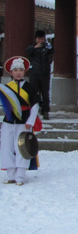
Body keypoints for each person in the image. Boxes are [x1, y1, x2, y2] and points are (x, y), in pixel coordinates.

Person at [1, 57, 41, 186]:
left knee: (22, 147)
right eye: (16, 70)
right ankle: (11, 174)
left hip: (23, 122)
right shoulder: (6, 88)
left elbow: (35, 106)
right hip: (8, 121)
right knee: (6, 147)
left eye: (21, 70)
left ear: (25, 72)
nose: (18, 72)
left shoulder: (30, 88)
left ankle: (20, 175)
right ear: (11, 72)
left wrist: (30, 121)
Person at [25, 30, 54, 120]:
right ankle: (34, 110)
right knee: (34, 93)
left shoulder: (47, 47)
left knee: (45, 93)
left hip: (45, 73)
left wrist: (48, 46)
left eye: (42, 38)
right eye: (39, 38)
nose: (40, 40)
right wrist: (35, 47)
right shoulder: (32, 48)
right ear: (36, 39)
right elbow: (28, 51)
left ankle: (45, 111)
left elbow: (52, 51)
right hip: (34, 74)